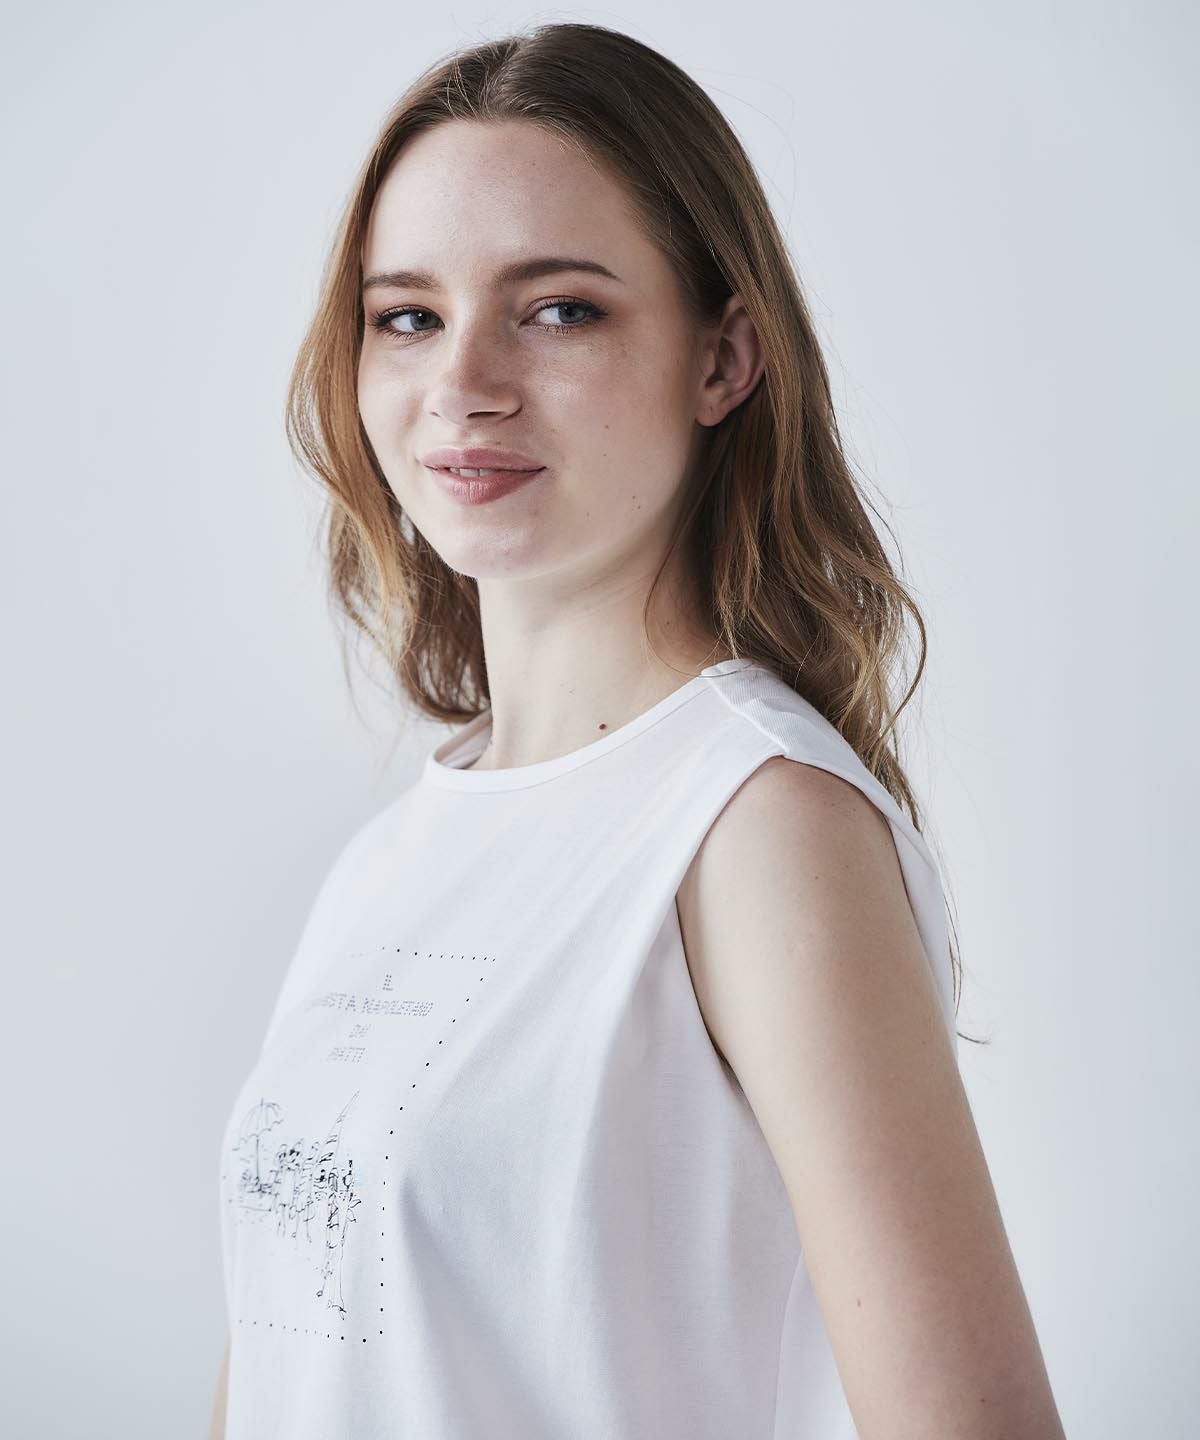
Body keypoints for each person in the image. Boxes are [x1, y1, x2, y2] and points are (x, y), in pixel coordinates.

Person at [212, 21, 1066, 1439]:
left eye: (560, 310)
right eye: (407, 316)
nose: (464, 382)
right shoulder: (386, 864)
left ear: (723, 358)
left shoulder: (759, 825)